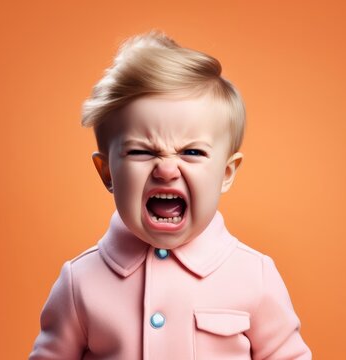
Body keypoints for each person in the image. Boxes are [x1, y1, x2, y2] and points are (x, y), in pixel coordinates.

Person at [29, 31, 312, 360]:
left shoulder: (254, 276)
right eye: (140, 151)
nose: (166, 169)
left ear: (226, 174)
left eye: (191, 151)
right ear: (108, 173)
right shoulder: (80, 282)